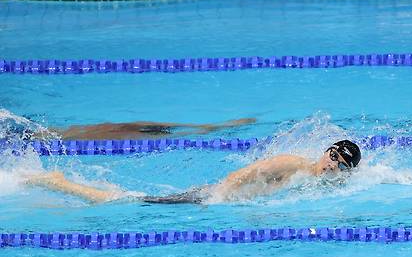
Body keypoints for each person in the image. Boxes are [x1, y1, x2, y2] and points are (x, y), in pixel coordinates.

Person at [26, 140, 364, 204]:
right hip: (210, 198)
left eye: (340, 164)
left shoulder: (315, 183)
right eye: (332, 155)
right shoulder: (294, 163)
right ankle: (59, 183)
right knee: (123, 202)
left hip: (218, 201)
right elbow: (246, 173)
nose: (331, 163)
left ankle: (58, 194)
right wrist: (218, 198)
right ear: (325, 150)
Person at [39, 118, 257, 141]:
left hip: (93, 132)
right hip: (90, 131)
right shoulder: (43, 135)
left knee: (127, 129)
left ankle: (203, 129)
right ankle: (203, 129)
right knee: (128, 129)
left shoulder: (41, 136)